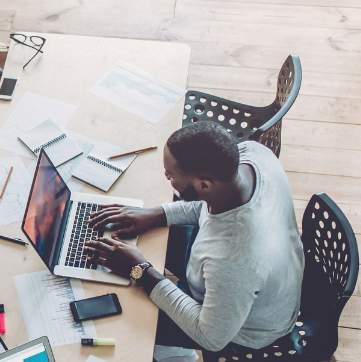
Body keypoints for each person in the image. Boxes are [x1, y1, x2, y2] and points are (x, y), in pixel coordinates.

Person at [83, 122, 304, 354]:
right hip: (248, 278)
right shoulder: (253, 154)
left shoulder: (234, 259)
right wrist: (157, 214)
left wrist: (139, 270)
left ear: (204, 184)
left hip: (240, 328)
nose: (166, 176)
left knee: (121, 315)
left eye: (170, 176)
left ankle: (176, 357)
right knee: (146, 248)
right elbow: (208, 203)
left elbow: (210, 337)